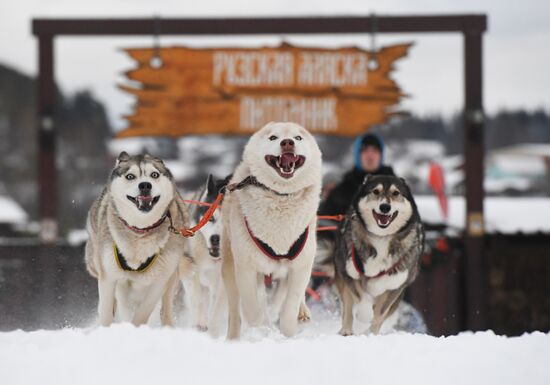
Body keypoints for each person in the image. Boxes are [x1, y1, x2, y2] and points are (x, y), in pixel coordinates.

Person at [319, 133, 395, 216]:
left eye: (375, 150)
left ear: (381, 155)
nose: (370, 156)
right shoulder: (342, 191)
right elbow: (325, 221)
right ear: (357, 155)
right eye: (365, 151)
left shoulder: (396, 188)